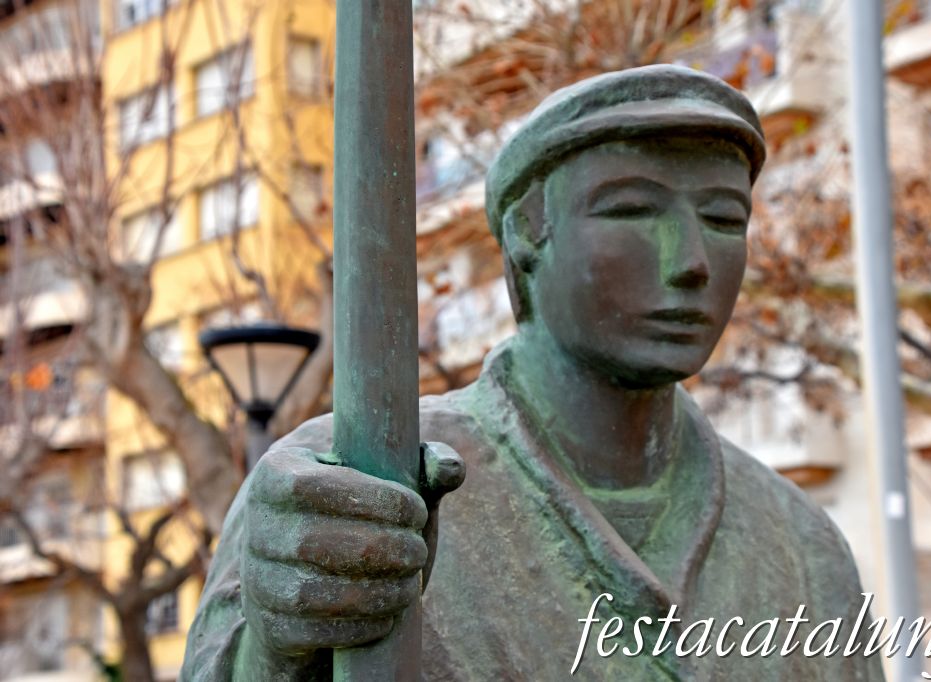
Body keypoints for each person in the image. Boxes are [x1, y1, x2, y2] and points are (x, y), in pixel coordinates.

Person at [183, 65, 884, 680]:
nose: (692, 260)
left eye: (725, 219)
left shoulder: (803, 546)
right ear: (524, 233)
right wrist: (276, 649)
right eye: (632, 210)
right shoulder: (355, 481)